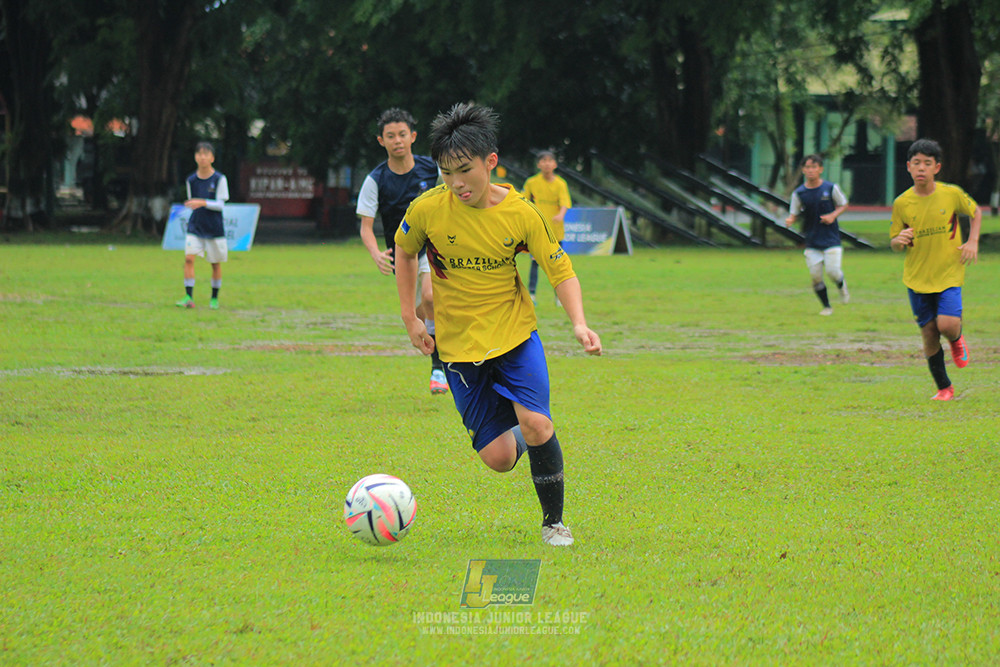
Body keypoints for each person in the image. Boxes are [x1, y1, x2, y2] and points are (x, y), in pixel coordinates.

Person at [394, 103, 602, 547]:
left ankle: (554, 524)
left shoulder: (522, 213)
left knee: (538, 425)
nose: (456, 183)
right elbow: (405, 252)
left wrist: (580, 324)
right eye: (447, 173)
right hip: (458, 348)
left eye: (464, 171)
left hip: (514, 336)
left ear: (491, 162)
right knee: (500, 458)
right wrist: (410, 317)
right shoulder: (429, 209)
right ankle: (524, 433)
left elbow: (560, 270)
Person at [357, 108, 448, 395]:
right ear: (381, 141)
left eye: (402, 134)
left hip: (433, 247)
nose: (397, 140)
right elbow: (366, 226)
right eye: (390, 136)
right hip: (403, 253)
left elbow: (453, 199)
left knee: (432, 298)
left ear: (413, 137)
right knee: (421, 312)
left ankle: (438, 369)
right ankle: (434, 340)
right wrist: (375, 253)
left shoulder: (431, 169)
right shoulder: (376, 179)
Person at [890, 138, 981, 401]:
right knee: (929, 333)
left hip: (949, 272)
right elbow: (895, 243)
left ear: (936, 167)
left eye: (927, 164)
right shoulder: (902, 203)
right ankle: (944, 388)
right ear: (908, 167)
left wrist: (973, 241)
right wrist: (899, 240)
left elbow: (975, 212)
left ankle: (956, 338)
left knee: (948, 324)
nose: (921, 168)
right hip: (917, 277)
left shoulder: (951, 194)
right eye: (916, 163)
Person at [784, 154, 850, 316]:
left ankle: (842, 287)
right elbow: (794, 212)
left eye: (814, 167)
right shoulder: (799, 193)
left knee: (833, 272)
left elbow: (843, 204)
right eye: (807, 167)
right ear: (803, 170)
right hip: (812, 241)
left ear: (820, 169)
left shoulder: (830, 188)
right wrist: (791, 220)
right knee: (815, 277)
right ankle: (827, 307)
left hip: (831, 239)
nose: (811, 170)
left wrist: (833, 216)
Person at [176, 142, 229, 310]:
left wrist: (203, 202)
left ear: (212, 158)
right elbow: (193, 202)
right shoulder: (191, 179)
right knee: (189, 258)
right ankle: (188, 296)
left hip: (214, 227)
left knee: (215, 263)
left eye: (206, 154)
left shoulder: (220, 179)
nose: (202, 157)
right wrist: (194, 204)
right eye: (199, 154)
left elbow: (221, 204)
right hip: (196, 225)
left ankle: (214, 298)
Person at [521, 150, 572, 305]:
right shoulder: (531, 182)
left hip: (555, 232)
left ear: (555, 164)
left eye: (550, 160)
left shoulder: (560, 184)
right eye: (543, 160)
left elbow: (565, 203)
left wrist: (560, 215)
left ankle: (559, 297)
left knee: (557, 265)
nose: (547, 163)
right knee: (535, 263)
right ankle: (532, 294)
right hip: (537, 231)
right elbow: (523, 201)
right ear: (538, 164)